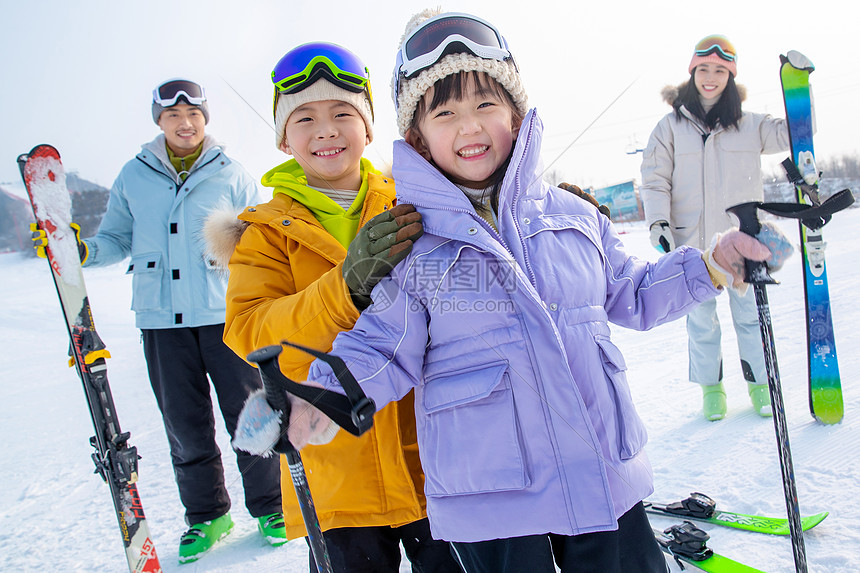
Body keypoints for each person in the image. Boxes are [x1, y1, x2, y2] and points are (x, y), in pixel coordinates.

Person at [282, 10, 793, 573]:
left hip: (602, 481)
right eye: (445, 112)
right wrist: (318, 397)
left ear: (516, 113)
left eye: (486, 105)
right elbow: (381, 347)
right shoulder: (416, 250)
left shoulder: (573, 219)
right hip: (493, 507)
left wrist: (712, 264)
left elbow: (636, 292)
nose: (468, 126)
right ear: (419, 138)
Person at [213, 43, 461, 573]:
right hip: (336, 480)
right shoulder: (264, 234)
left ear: (368, 127)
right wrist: (342, 288)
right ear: (283, 136)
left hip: (436, 463)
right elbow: (251, 333)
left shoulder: (415, 200)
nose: (325, 130)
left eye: (342, 113)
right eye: (304, 118)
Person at [64, 78, 284, 564]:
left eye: (193, 115)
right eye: (173, 117)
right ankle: (207, 517)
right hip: (161, 320)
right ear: (158, 122)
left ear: (205, 120)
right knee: (184, 425)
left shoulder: (231, 172)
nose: (184, 124)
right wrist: (78, 251)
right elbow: (115, 239)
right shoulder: (134, 175)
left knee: (251, 413)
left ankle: (271, 506)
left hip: (223, 316)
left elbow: (260, 240)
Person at [639, 35, 791, 421]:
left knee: (750, 314)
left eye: (720, 70)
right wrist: (659, 220)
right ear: (692, 72)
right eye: (704, 69)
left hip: (743, 242)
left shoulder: (751, 124)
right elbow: (655, 178)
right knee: (701, 320)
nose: (711, 77)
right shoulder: (669, 126)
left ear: (730, 76)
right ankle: (712, 389)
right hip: (692, 242)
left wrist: (797, 88)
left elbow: (794, 132)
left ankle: (761, 385)